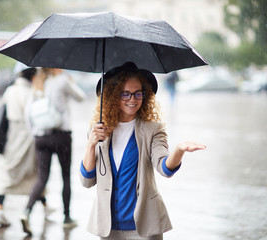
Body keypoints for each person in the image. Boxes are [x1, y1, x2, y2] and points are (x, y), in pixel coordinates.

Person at [80, 62, 206, 240]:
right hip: (108, 228)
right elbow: (87, 181)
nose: (133, 99)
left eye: (138, 93)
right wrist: (91, 144)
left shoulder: (153, 129)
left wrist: (179, 150)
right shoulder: (99, 130)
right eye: (125, 94)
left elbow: (164, 167)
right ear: (114, 96)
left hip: (144, 227)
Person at [21, 68, 86, 235]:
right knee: (65, 176)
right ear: (56, 66)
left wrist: (36, 134)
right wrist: (69, 81)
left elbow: (28, 114)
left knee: (42, 177)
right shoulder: (62, 81)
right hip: (61, 136)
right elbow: (81, 97)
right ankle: (66, 218)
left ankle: (26, 212)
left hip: (41, 138)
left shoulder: (38, 84)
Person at [0, 64, 53, 228]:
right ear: (32, 76)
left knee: (6, 173)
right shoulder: (34, 93)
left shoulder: (9, 91)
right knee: (36, 175)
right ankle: (45, 207)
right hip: (29, 138)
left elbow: (3, 115)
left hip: (11, 137)